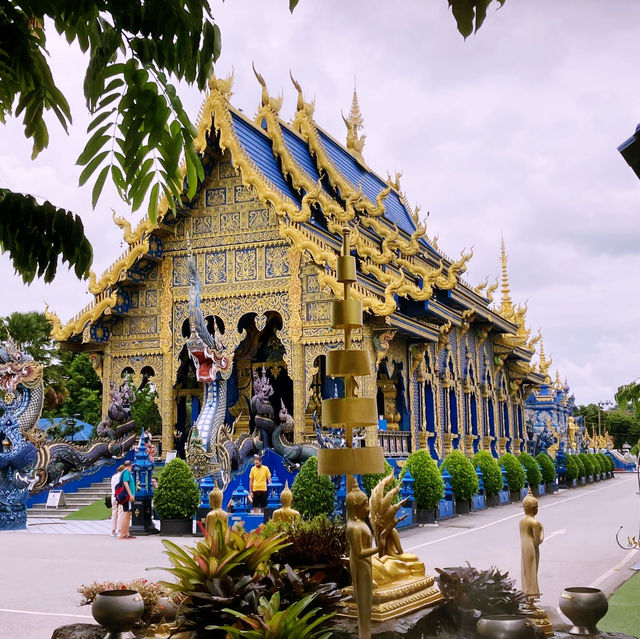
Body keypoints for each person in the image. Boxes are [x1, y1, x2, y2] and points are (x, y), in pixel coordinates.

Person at [520, 489, 544, 600]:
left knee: (526, 570)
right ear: (534, 508)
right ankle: (531, 596)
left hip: (524, 547)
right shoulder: (534, 522)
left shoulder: (522, 521)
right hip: (531, 547)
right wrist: (543, 531)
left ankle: (526, 593)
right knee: (532, 571)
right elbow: (537, 540)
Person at [117, 460, 136, 539]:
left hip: (127, 496)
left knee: (128, 515)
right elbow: (126, 483)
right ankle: (123, 533)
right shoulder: (126, 472)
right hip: (127, 496)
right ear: (130, 466)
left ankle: (127, 533)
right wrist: (130, 494)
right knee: (126, 515)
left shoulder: (124, 472)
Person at [110, 464, 125, 537]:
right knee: (120, 513)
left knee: (114, 513)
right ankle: (119, 530)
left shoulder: (113, 477)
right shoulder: (121, 477)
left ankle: (113, 530)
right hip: (120, 496)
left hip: (113, 495)